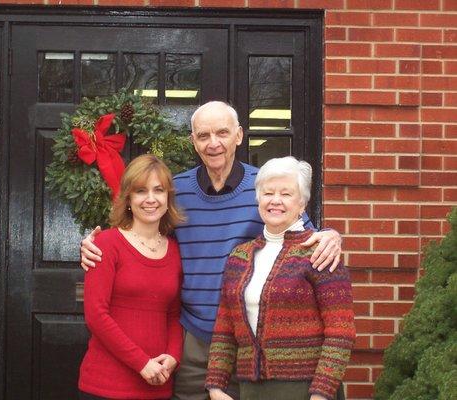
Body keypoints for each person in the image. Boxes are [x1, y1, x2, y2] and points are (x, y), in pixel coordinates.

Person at [80, 102, 343, 400]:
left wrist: (331, 235)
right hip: (192, 336)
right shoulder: (175, 191)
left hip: (245, 338)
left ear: (239, 136)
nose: (213, 143)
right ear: (193, 141)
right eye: (203, 135)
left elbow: (302, 235)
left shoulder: (264, 189)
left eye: (222, 133)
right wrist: (95, 242)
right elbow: (142, 237)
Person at [206, 156, 355, 400]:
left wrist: (322, 393)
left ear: (302, 204)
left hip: (305, 390)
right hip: (251, 389)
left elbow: (341, 332)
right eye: (268, 193)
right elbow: (224, 328)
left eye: (286, 194)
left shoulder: (320, 253)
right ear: (258, 199)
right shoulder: (239, 257)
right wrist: (215, 386)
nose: (275, 200)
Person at [78, 154, 185, 400]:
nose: (150, 199)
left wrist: (173, 356)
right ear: (128, 198)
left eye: (158, 190)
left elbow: (173, 313)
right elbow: (96, 315)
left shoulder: (176, 251)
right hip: (106, 386)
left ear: (168, 198)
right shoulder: (105, 243)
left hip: (157, 385)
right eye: (140, 191)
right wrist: (141, 363)